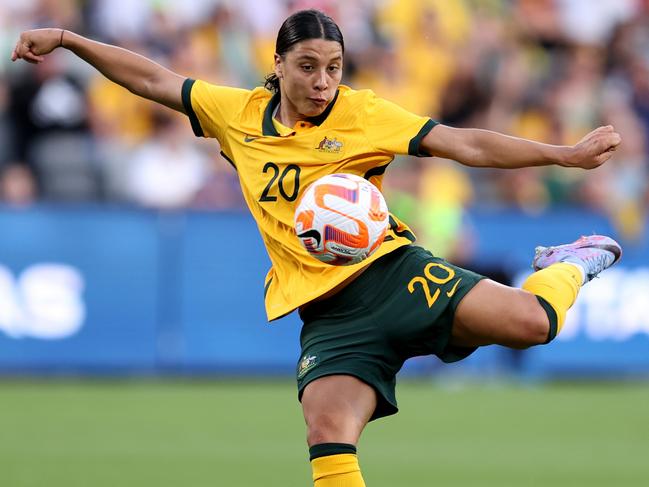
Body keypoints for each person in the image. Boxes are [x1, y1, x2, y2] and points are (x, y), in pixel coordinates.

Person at [12, 10, 623, 486]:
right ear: (276, 65)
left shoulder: (363, 115)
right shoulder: (238, 114)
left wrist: (562, 155)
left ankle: (569, 262)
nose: (323, 81)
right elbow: (153, 79)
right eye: (307, 66)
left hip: (390, 273)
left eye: (334, 66)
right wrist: (69, 38)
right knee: (327, 430)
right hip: (327, 316)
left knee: (533, 323)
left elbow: (465, 145)